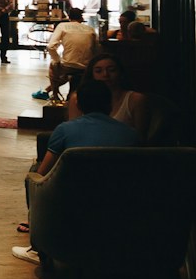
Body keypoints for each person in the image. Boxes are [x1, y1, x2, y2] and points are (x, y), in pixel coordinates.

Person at [14, 77, 140, 263]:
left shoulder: (65, 130)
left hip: (72, 202)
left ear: (79, 104)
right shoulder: (131, 134)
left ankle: (37, 246)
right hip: (120, 202)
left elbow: (42, 172)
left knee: (33, 173)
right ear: (110, 103)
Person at [88, 51, 150, 136]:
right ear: (91, 75)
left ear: (120, 73)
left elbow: (140, 138)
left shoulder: (135, 99)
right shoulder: (77, 99)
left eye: (111, 70)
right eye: (98, 71)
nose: (105, 74)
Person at [37, 15, 97, 102]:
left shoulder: (62, 26)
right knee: (69, 71)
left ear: (69, 18)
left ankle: (54, 94)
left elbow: (51, 46)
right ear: (82, 18)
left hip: (68, 66)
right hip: (86, 67)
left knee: (55, 66)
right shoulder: (90, 29)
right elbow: (97, 48)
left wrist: (57, 60)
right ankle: (46, 90)